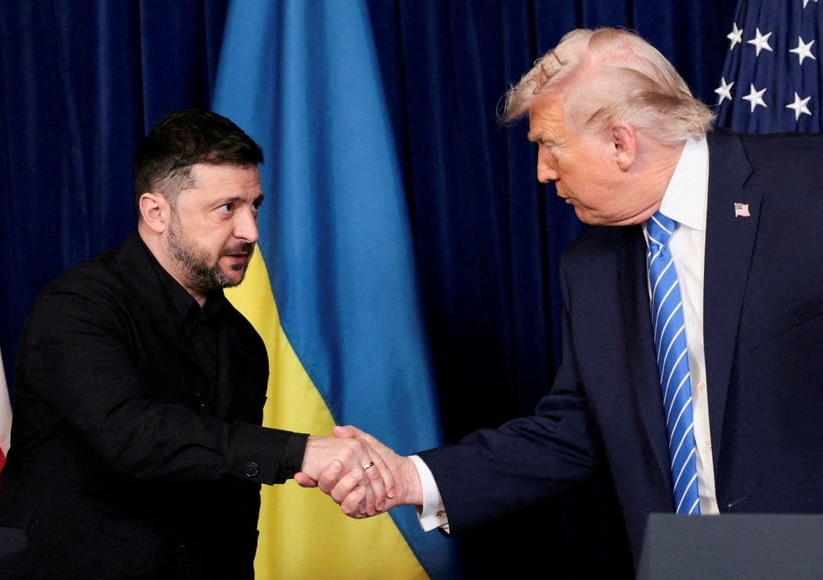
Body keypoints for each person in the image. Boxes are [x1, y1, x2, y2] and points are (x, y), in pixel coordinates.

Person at [304, 26, 823, 571]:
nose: (542, 172)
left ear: (620, 143)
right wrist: (412, 478)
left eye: (549, 145)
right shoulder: (591, 264)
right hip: (692, 561)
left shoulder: (805, 186)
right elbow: (576, 429)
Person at [0, 109, 390, 580]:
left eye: (254, 206)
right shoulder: (77, 307)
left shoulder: (243, 344)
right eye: (227, 208)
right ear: (156, 212)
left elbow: (234, 508)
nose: (251, 232)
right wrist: (300, 451)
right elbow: (133, 434)